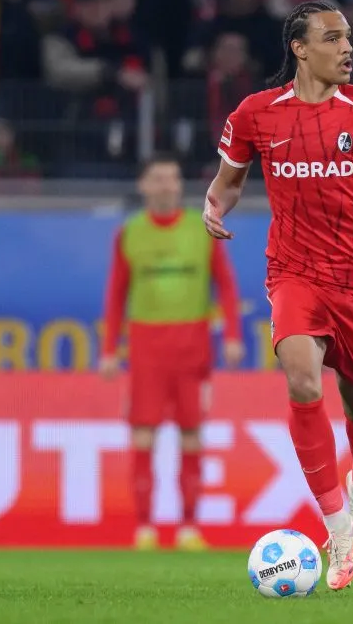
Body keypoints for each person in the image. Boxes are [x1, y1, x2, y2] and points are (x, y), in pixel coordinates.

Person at [202, 1, 353, 591]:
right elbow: (228, 181)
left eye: (349, 37)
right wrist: (213, 206)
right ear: (300, 48)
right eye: (333, 38)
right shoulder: (255, 114)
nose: (348, 48)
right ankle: (338, 529)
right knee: (300, 378)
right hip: (293, 273)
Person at [101, 154, 244, 551]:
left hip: (192, 345)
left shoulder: (203, 230)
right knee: (143, 434)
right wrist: (109, 349)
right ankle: (145, 527)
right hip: (147, 347)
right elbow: (116, 295)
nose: (166, 186)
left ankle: (188, 528)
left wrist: (232, 336)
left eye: (173, 179)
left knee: (192, 435)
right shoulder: (129, 233)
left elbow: (226, 287)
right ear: (144, 185)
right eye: (158, 179)